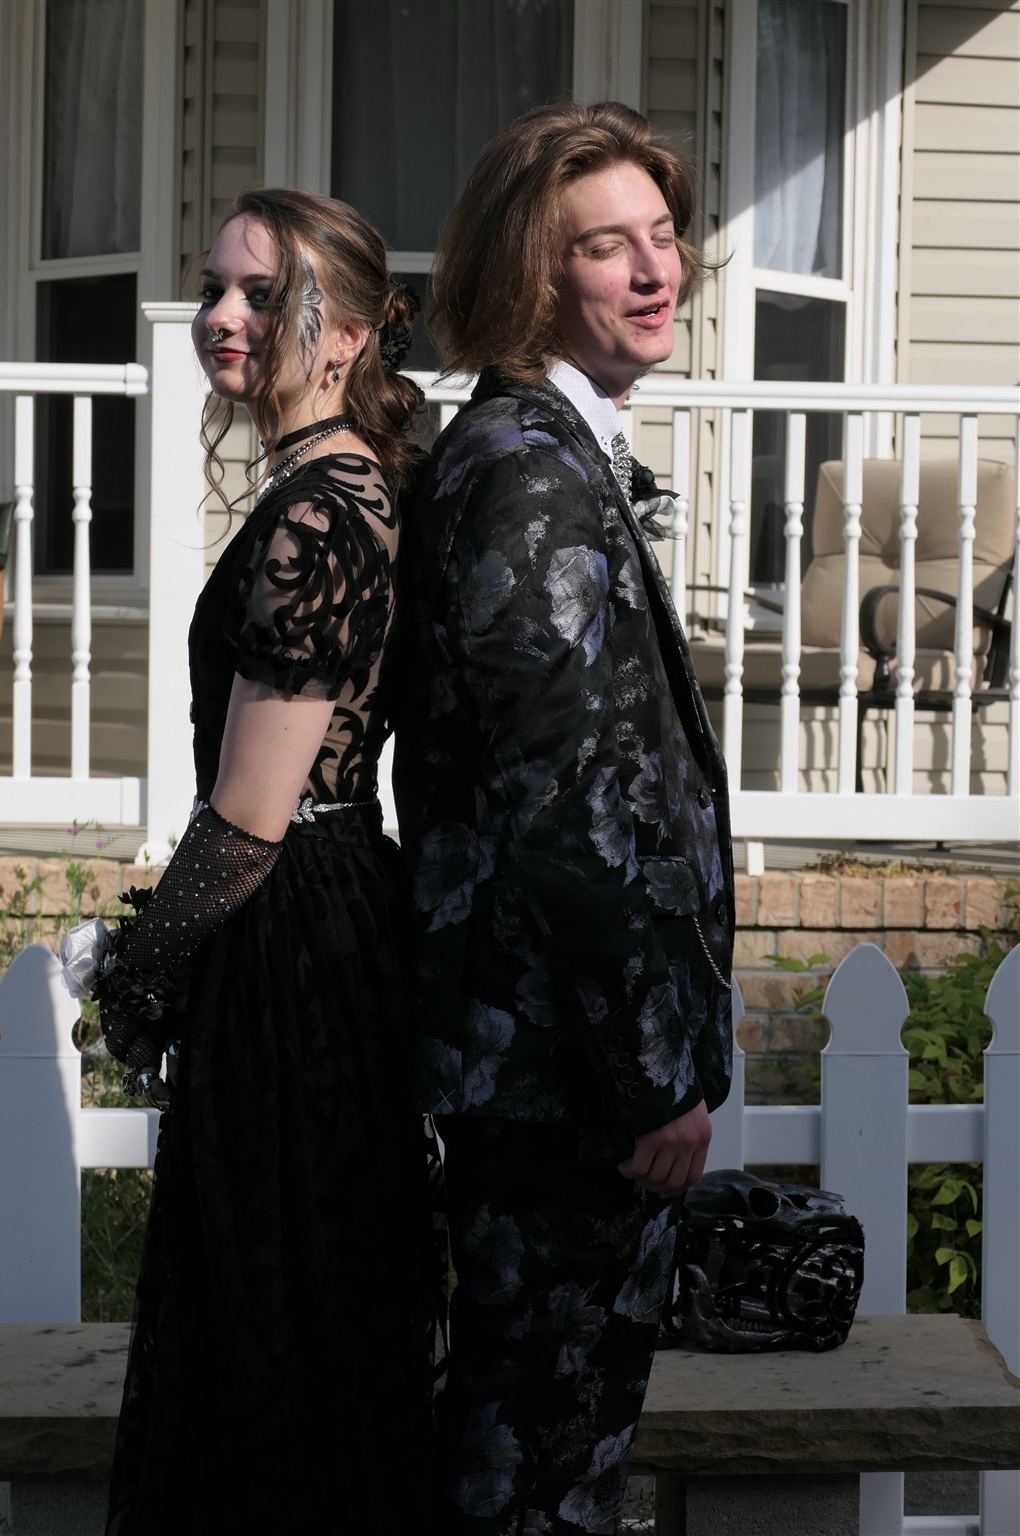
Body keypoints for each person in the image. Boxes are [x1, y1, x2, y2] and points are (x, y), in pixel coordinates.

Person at [393, 101, 734, 1535]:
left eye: (663, 235)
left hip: (557, 1070)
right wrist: (653, 1073)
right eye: (608, 247)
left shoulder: (550, 448)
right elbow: (565, 814)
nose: (656, 272)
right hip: (561, 1083)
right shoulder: (528, 471)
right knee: (538, 1467)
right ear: (532, 274)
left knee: (552, 1453)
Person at [74, 188, 434, 1534]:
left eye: (261, 294)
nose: (222, 316)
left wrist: (140, 973)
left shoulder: (320, 516)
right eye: (213, 287)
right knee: (293, 1304)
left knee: (274, 1310)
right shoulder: (330, 484)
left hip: (291, 937)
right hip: (317, 915)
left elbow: (248, 820)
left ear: (344, 332)